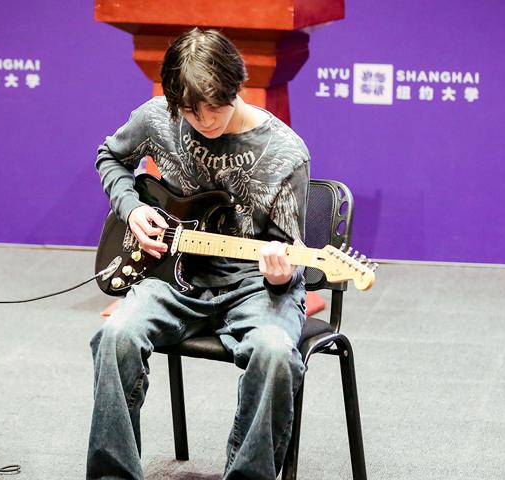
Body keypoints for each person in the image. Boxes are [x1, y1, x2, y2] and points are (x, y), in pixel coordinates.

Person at [88, 28, 310, 480]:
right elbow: (109, 156)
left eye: (215, 107)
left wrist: (281, 275)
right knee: (116, 337)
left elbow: (292, 249)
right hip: (172, 277)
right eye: (190, 111)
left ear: (237, 87)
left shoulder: (285, 153)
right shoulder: (157, 119)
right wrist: (131, 209)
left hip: (254, 288)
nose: (205, 120)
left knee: (274, 353)